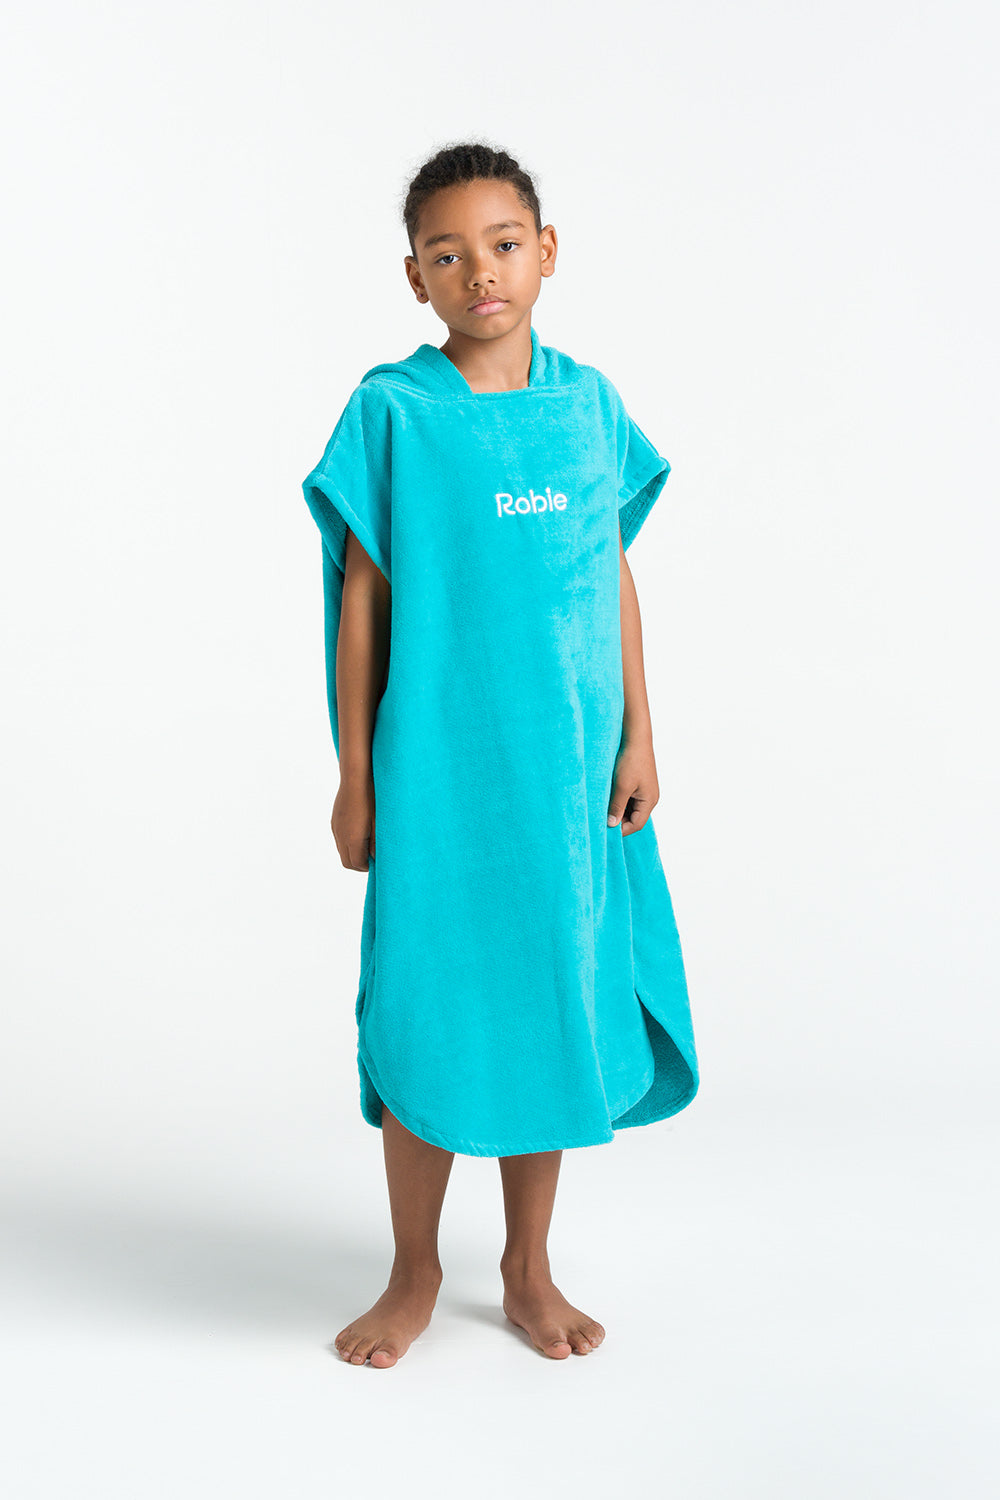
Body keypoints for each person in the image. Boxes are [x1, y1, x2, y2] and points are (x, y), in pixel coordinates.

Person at [301, 141, 700, 1368]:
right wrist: (356, 773)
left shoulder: (588, 408)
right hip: (437, 773)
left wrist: (640, 732)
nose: (480, 271)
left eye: (503, 244)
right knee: (427, 1003)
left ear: (547, 252)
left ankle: (527, 1265)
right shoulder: (395, 411)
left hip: (566, 779)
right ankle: (413, 1267)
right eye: (447, 253)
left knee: (551, 997)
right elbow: (363, 596)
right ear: (414, 277)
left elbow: (609, 575)